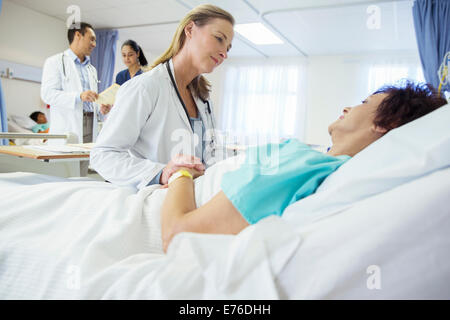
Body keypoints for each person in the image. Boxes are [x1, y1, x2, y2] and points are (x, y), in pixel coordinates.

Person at [160, 81, 448, 252]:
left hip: (146, 213)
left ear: (385, 123)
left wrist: (181, 172)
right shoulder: (321, 167)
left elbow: (178, 235)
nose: (348, 107)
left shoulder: (306, 163)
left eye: (363, 102)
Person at [90, 5, 234, 189]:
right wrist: (162, 173)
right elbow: (103, 154)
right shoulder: (145, 87)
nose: (224, 53)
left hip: (194, 198)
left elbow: (211, 154)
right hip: (154, 200)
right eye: (219, 38)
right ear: (189, 30)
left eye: (228, 48)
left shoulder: (204, 100)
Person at [41, 22, 112, 146]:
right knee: (69, 164)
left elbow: (90, 101)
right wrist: (78, 96)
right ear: (78, 35)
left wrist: (100, 108)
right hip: (68, 125)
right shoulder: (55, 62)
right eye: (92, 39)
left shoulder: (92, 69)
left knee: (87, 162)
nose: (94, 44)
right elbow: (48, 94)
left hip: (91, 123)